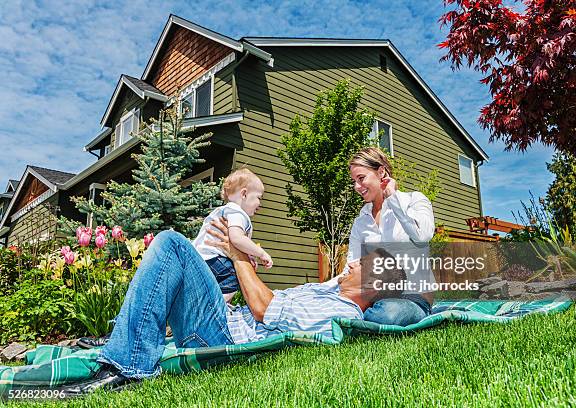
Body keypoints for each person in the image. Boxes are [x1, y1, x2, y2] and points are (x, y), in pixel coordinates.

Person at [60, 219, 392, 395]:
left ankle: (129, 367)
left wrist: (239, 257)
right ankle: (121, 343)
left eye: (359, 264)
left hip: (223, 337)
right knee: (177, 252)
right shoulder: (330, 289)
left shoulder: (343, 313)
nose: (350, 265)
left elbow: (266, 309)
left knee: (172, 244)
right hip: (226, 319)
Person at [324, 147, 436, 327]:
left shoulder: (414, 200)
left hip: (413, 297)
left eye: (361, 178)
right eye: (354, 181)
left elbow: (422, 236)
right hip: (371, 297)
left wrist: (392, 197)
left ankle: (359, 317)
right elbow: (350, 267)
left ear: (381, 172)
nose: (356, 187)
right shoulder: (361, 221)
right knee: (328, 304)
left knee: (387, 314)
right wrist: (319, 289)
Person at [192, 168, 273, 302]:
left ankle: (209, 304)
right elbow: (236, 238)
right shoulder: (237, 213)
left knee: (214, 285)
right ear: (244, 194)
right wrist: (261, 253)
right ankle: (218, 307)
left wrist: (249, 256)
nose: (260, 203)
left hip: (203, 258)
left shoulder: (225, 210)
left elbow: (236, 243)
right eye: (259, 197)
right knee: (234, 275)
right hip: (213, 258)